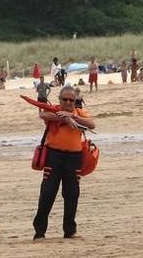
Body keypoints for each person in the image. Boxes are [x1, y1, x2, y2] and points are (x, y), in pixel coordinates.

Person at [33, 86, 96, 240]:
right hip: (53, 157)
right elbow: (43, 115)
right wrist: (64, 118)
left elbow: (92, 124)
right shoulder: (54, 111)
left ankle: (70, 230)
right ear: (59, 100)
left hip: (74, 158)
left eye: (71, 100)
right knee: (47, 193)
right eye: (65, 99)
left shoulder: (78, 112)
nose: (68, 102)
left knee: (72, 194)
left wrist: (73, 117)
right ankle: (39, 232)